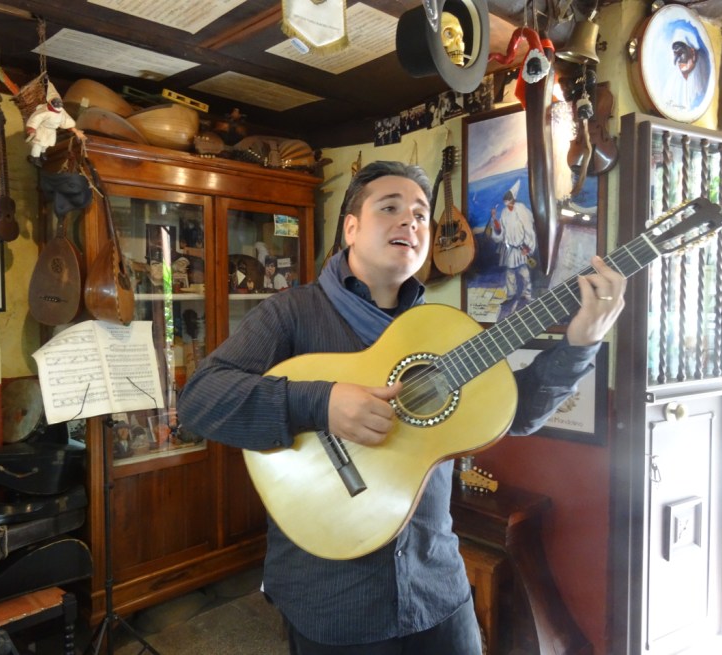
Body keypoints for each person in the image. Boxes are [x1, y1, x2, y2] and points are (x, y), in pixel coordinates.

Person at [177, 161, 626, 654]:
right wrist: (320, 402)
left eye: (419, 214)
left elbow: (517, 413)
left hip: (437, 590)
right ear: (351, 227)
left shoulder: (439, 329)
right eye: (389, 208)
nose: (409, 222)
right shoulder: (290, 313)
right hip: (333, 603)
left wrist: (581, 343)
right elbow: (200, 400)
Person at [490, 184, 538, 313]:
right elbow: (501, 231)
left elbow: (529, 230)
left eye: (509, 201)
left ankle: (526, 294)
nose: (507, 204)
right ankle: (511, 295)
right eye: (505, 201)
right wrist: (494, 219)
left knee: (524, 271)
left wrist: (528, 247)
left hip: (522, 247)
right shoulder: (504, 213)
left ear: (513, 199)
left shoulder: (521, 210)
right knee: (510, 272)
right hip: (510, 248)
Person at [25, 97, 86, 167]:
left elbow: (65, 120)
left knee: (46, 144)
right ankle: (34, 157)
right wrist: (32, 128)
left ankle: (42, 153)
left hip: (51, 131)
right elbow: (36, 118)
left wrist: (74, 130)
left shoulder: (61, 111)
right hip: (42, 129)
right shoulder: (45, 111)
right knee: (38, 144)